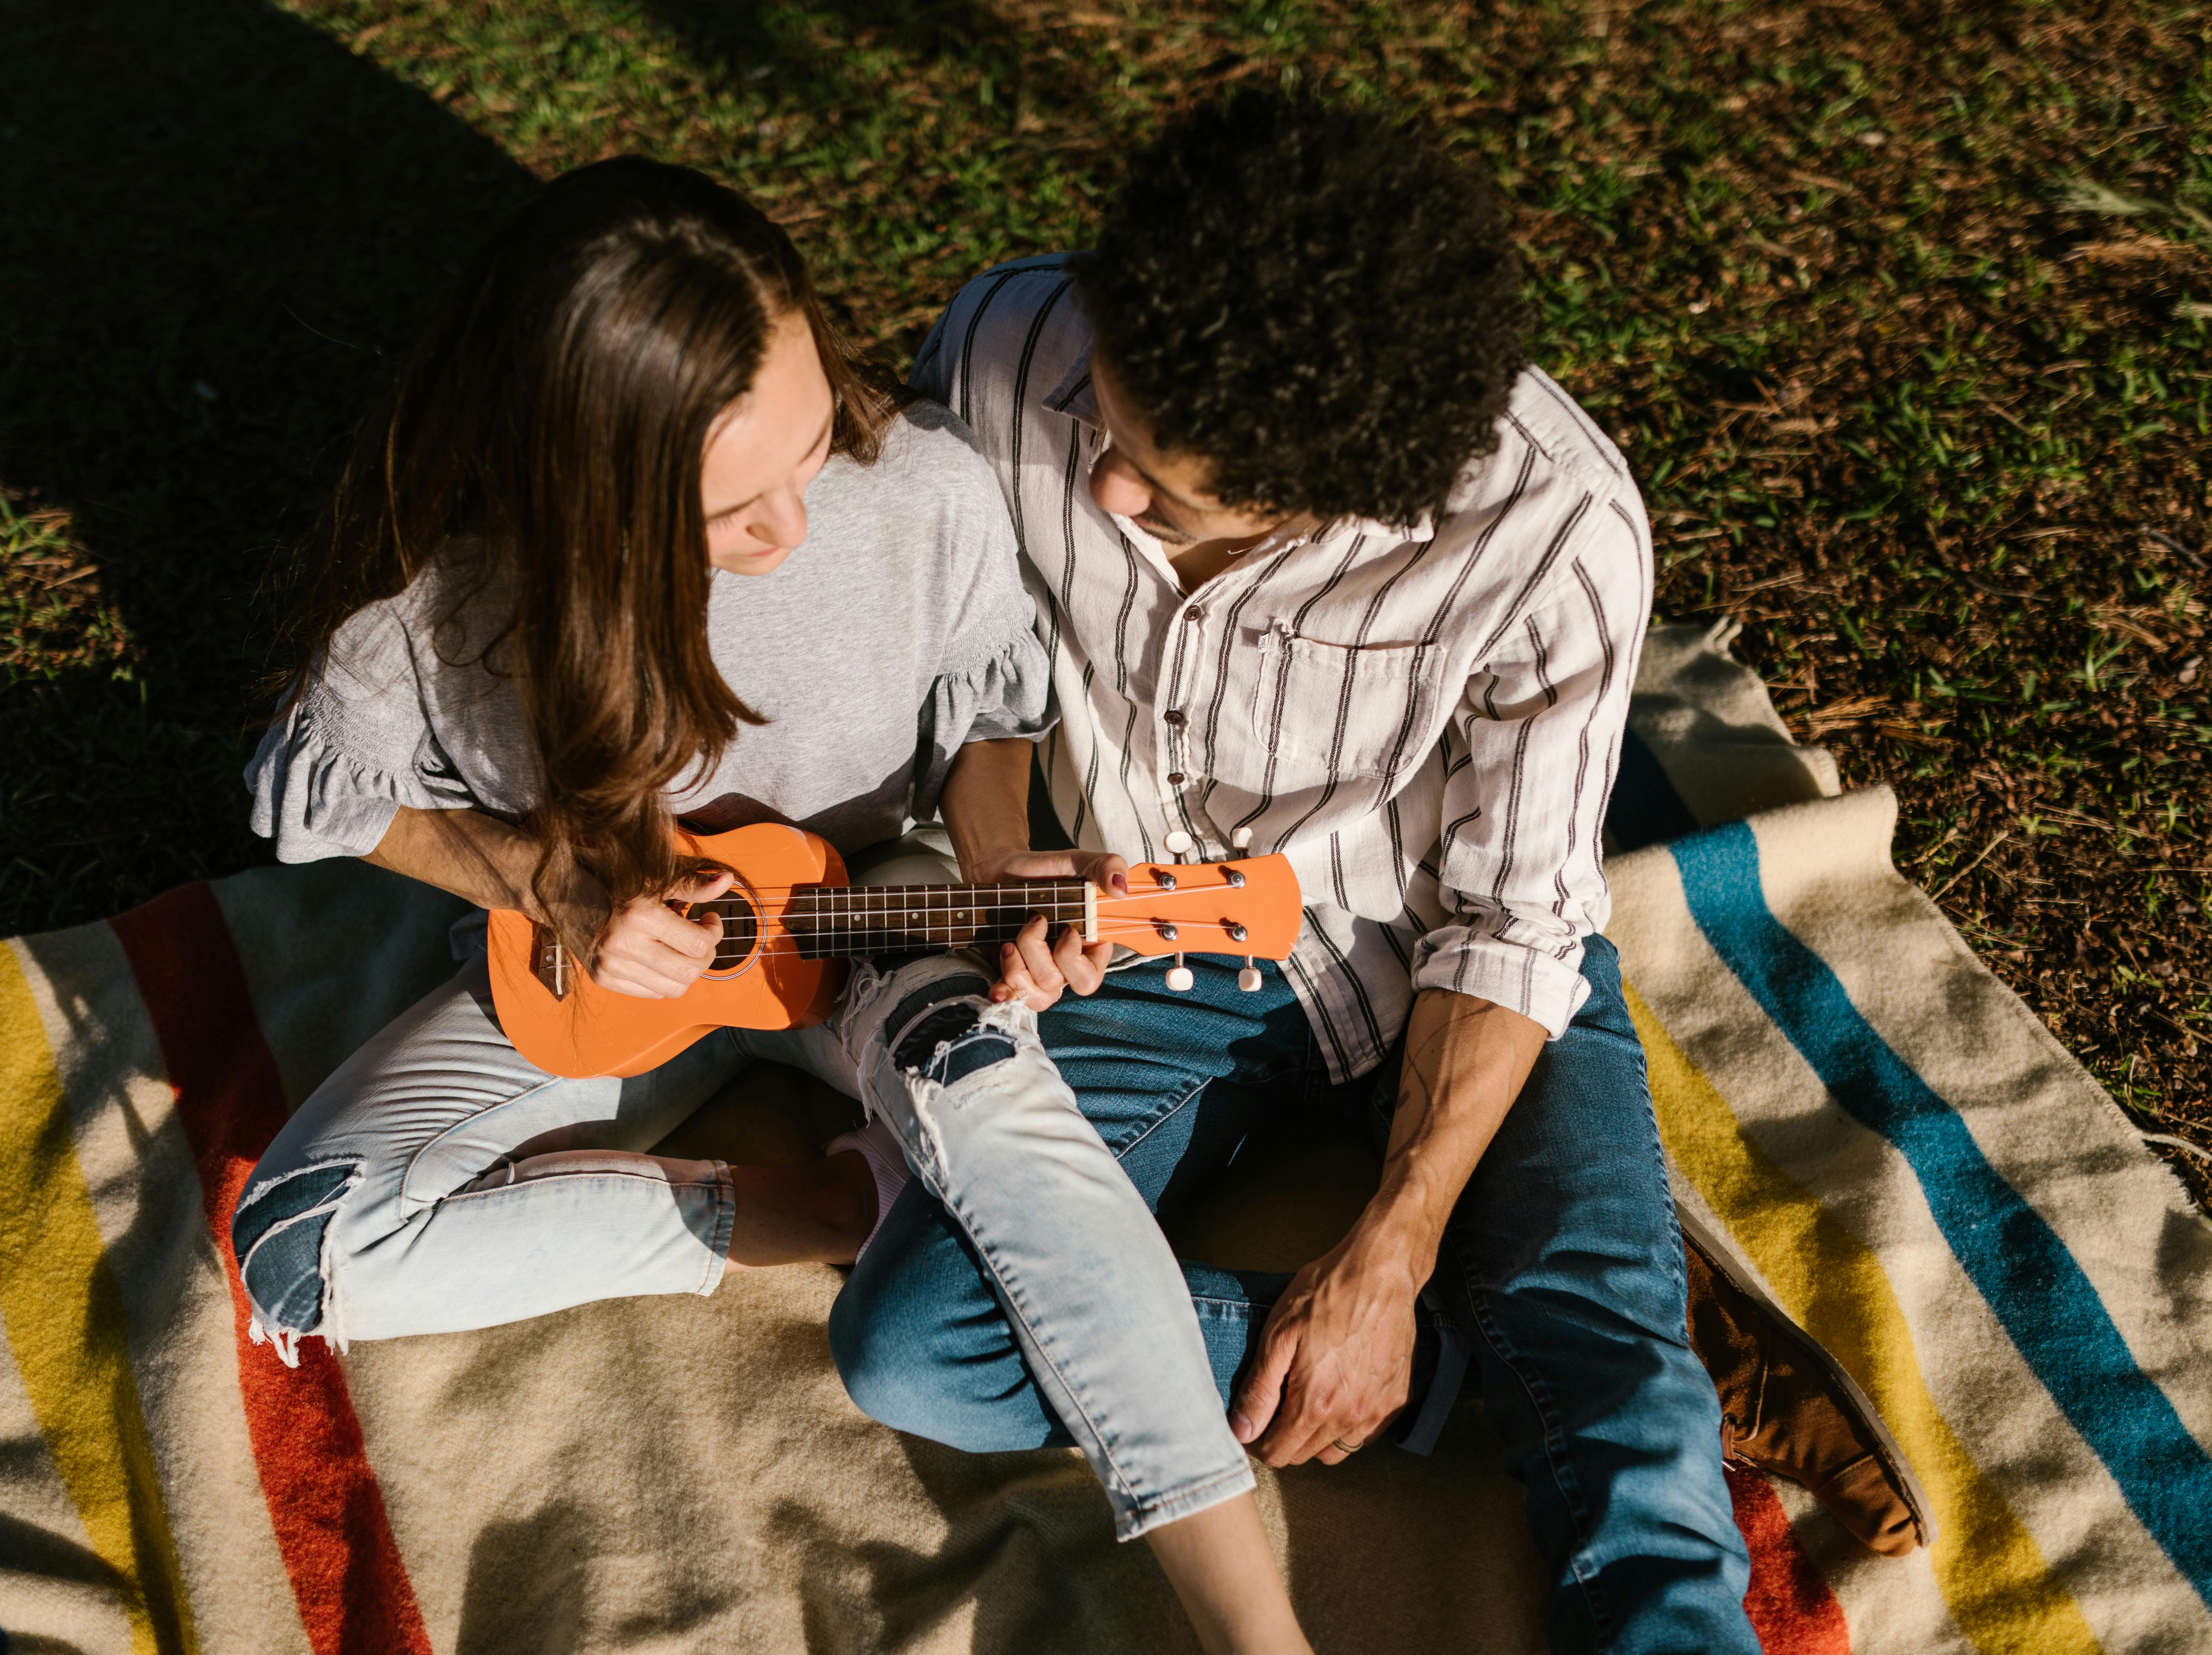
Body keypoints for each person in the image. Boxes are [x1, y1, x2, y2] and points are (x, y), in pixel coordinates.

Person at [831, 90, 1928, 1653]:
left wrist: (1393, 1247)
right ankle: (1511, 1374)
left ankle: (1594, 1363)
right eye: (1114, 431)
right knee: (916, 1349)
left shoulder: (1553, 528)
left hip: (1446, 956)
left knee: (1624, 1413)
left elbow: (1514, 919)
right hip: (1150, 953)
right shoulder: (1010, 337)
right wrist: (1005, 865)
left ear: (1350, 495)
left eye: (1170, 485)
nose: (1111, 494)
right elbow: (969, 649)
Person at [230, 157, 1326, 1653]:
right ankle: (810, 1207)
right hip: (601, 982)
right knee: (299, 1246)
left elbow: (984, 711)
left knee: (998, 1108)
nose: (794, 529)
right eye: (728, 513)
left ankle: (1251, 1625)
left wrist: (997, 862)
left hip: (865, 921)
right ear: (582, 501)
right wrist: (535, 876)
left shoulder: (921, 492)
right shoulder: (452, 614)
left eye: (807, 453)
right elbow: (314, 795)